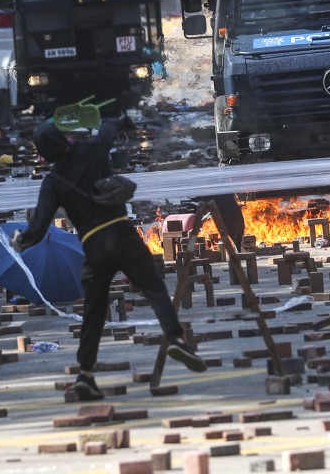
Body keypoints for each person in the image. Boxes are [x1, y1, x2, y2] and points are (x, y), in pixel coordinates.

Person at [12, 117, 206, 401]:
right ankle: (176, 338)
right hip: (122, 234)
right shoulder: (92, 149)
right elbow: (109, 129)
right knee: (153, 288)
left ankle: (86, 376)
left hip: (94, 247)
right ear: (66, 138)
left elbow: (38, 228)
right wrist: (120, 121)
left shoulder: (53, 182)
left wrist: (20, 240)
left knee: (94, 312)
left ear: (44, 155)